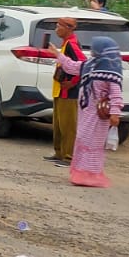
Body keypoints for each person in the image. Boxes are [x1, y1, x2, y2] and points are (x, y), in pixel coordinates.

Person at [58, 36, 123, 188]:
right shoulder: (90, 64)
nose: (92, 51)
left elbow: (116, 94)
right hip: (85, 111)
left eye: (95, 48)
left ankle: (90, 175)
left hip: (97, 114)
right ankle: (80, 172)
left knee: (91, 142)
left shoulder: (111, 70)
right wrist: (57, 54)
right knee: (81, 139)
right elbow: (72, 66)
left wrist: (115, 113)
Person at [47, 17, 86, 166]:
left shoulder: (72, 44)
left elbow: (82, 65)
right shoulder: (65, 44)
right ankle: (59, 153)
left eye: (59, 26)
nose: (56, 29)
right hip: (59, 90)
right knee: (58, 125)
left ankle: (69, 157)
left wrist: (73, 83)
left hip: (68, 93)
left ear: (68, 28)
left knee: (68, 126)